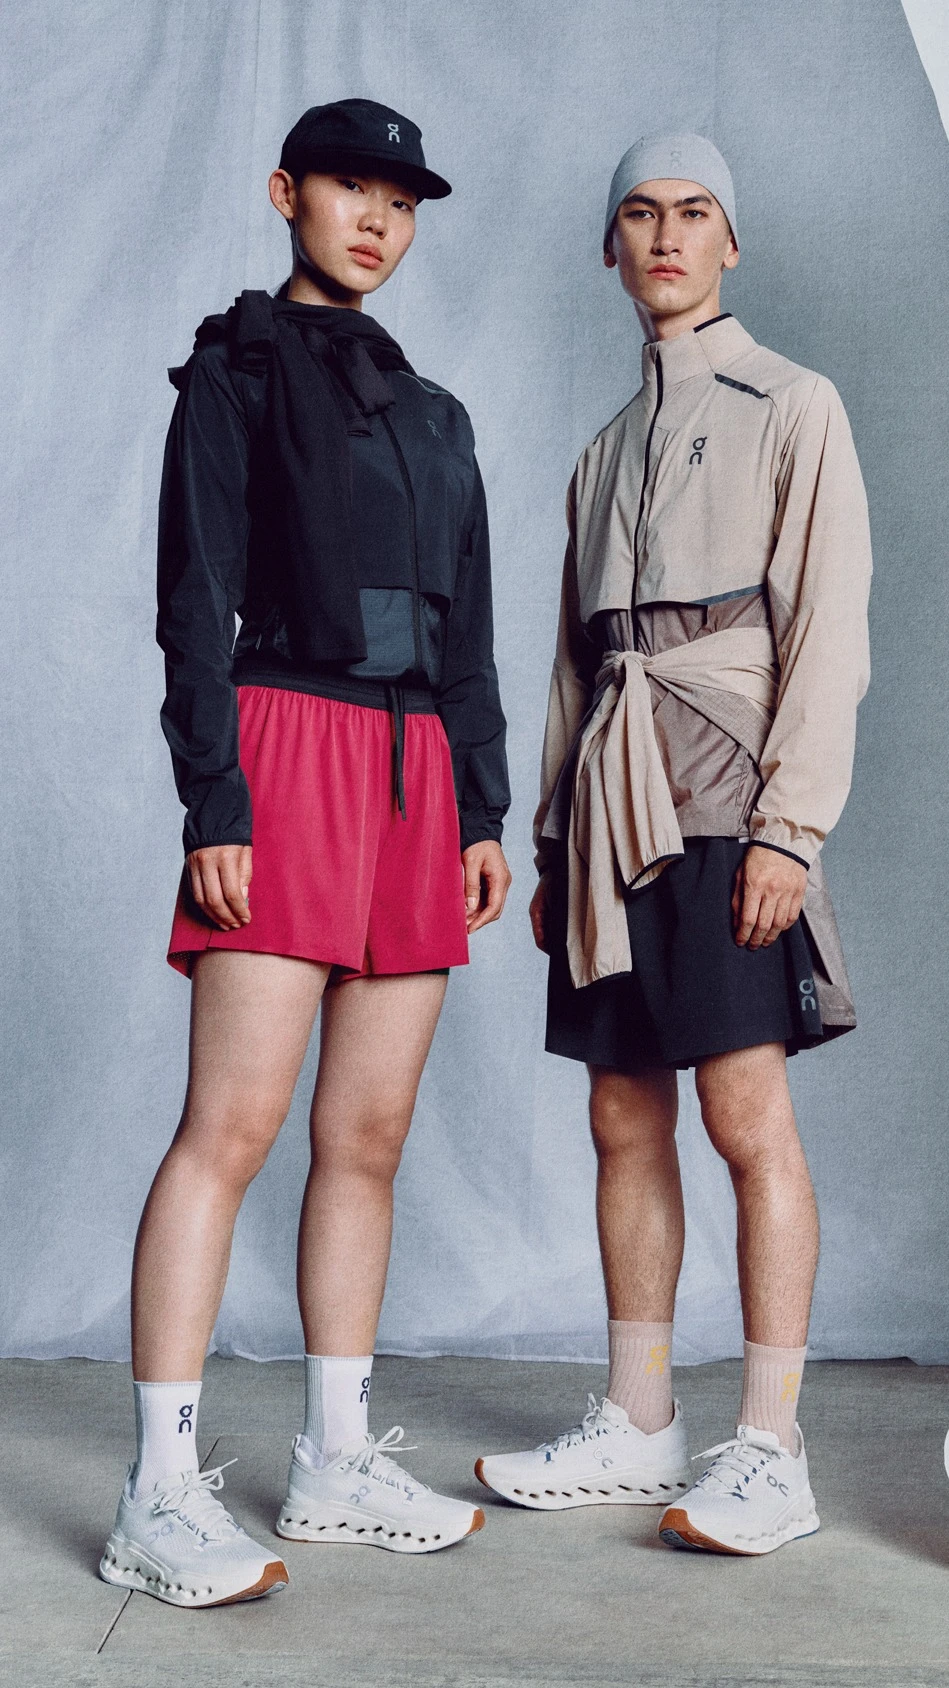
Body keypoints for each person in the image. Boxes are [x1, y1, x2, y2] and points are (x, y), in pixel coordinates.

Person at [99, 98, 511, 1608]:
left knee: (368, 1139)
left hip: (417, 779)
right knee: (231, 1126)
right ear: (287, 193)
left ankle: (337, 1459)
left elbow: (468, 628)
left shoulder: (436, 411)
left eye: (401, 200)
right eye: (350, 187)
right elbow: (193, 598)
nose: (378, 218)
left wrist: (481, 806)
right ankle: (157, 1492)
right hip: (285, 750)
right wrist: (215, 801)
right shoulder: (236, 370)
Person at [475, 133, 870, 1555]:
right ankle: (640, 1419)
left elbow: (828, 628)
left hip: (726, 804)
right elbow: (575, 668)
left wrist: (788, 830)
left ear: (729, 242)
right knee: (622, 1115)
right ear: (611, 248)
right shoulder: (600, 453)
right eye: (639, 215)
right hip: (610, 817)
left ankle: (771, 1447)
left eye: (693, 214)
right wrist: (555, 834)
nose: (664, 236)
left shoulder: (794, 404)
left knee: (743, 1116)